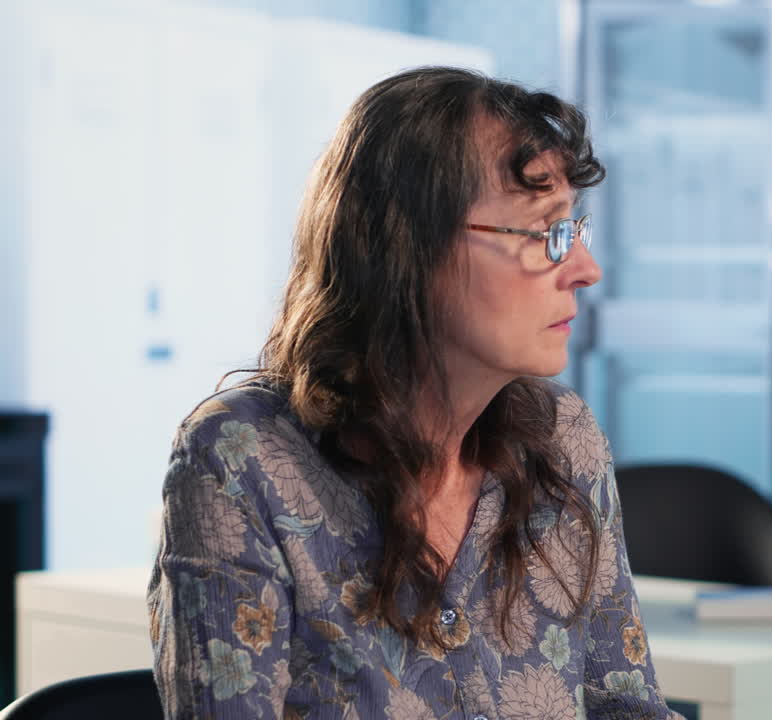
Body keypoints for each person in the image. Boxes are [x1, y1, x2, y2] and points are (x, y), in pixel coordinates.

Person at [147, 67, 681, 719]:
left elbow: (626, 707)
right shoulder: (240, 459)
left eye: (574, 230)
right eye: (544, 233)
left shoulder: (564, 439)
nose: (585, 270)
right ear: (409, 246)